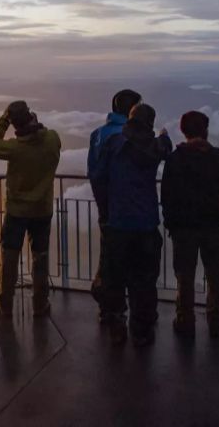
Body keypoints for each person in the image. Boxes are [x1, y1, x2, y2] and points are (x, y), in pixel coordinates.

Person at [92, 103, 172, 347]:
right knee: (145, 280)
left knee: (115, 278)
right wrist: (164, 135)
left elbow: (98, 177)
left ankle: (117, 324)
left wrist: (105, 210)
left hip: (118, 223)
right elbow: (166, 148)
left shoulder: (113, 144)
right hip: (146, 224)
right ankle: (142, 329)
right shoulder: (155, 146)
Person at [160, 110, 219, 338]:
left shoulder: (175, 159)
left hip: (183, 227)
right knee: (215, 275)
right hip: (212, 225)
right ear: (205, 130)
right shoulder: (218, 156)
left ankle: (185, 320)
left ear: (184, 131)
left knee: (185, 276)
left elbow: (167, 194)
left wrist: (171, 222)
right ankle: (215, 319)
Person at [0, 100, 61, 318]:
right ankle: (40, 304)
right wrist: (35, 124)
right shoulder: (52, 139)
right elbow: (46, 135)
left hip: (17, 212)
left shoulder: (15, 148)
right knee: (40, 256)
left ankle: (6, 304)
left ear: (14, 123)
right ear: (31, 116)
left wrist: (3, 120)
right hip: (43, 210)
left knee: (9, 258)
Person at [87, 88, 143, 323]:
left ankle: (109, 308)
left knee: (109, 258)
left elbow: (93, 171)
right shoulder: (129, 136)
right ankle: (134, 314)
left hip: (106, 207)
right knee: (135, 263)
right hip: (131, 209)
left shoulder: (98, 134)